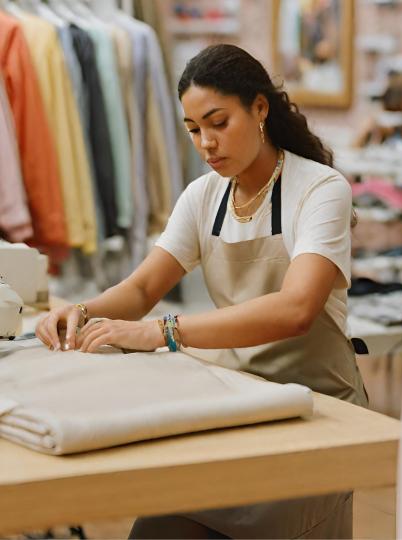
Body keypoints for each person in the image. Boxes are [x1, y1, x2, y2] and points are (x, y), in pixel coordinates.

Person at [36, 43, 368, 539]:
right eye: (193, 130)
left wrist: (164, 332)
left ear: (260, 109)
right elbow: (145, 285)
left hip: (318, 406)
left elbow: (297, 309)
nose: (206, 144)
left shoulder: (320, 189)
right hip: (241, 401)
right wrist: (81, 311)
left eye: (218, 122)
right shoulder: (204, 195)